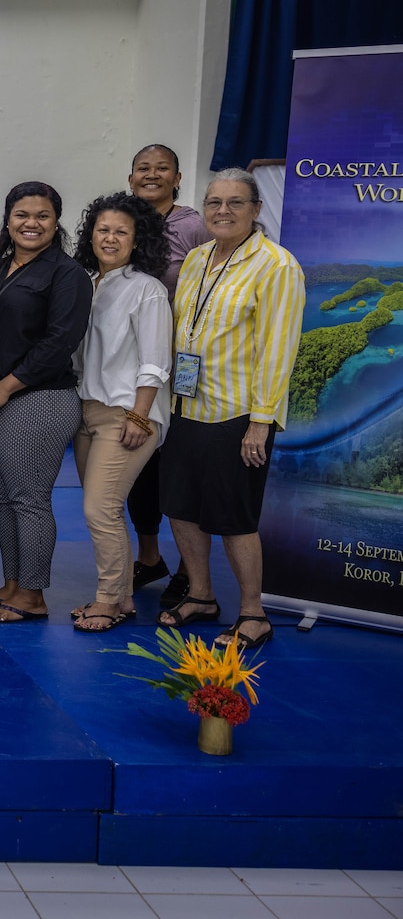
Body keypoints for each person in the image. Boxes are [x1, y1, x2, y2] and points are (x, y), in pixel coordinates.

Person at [158, 168, 304, 650]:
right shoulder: (199, 258)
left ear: (257, 210)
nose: (223, 211)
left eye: (235, 202)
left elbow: (278, 351)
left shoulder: (276, 266)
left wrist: (260, 422)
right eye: (214, 202)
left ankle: (253, 613)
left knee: (234, 515)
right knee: (181, 508)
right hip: (185, 406)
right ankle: (200, 595)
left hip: (237, 414)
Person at [0, 182, 92, 623]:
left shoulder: (66, 274)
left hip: (37, 399)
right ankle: (13, 584)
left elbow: (59, 342)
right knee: (4, 498)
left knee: (30, 498)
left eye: (42, 216)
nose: (31, 224)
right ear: (8, 219)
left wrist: (5, 387)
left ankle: (33, 596)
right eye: (22, 215)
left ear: (56, 222)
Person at [69, 193, 173, 633]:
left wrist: (140, 415)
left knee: (100, 508)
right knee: (105, 509)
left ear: (137, 240)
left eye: (121, 232)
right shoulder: (87, 283)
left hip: (127, 413)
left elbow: (155, 360)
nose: (110, 238)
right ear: (91, 235)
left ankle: (108, 599)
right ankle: (125, 596)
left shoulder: (146, 288)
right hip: (87, 413)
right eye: (103, 229)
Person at [123, 144, 211, 605]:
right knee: (141, 465)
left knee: (177, 468)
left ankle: (188, 570)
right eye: (143, 168)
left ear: (177, 178)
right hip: (131, 366)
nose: (152, 175)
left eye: (162, 169)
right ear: (131, 176)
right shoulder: (123, 218)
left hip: (180, 368)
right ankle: (150, 558)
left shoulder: (193, 224)